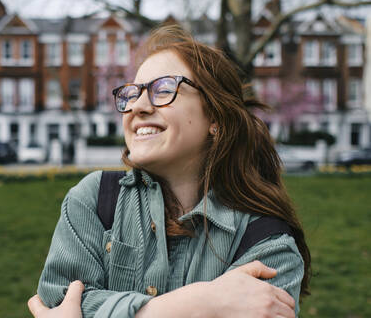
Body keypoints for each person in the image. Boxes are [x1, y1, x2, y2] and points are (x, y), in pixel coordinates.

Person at [29, 24, 311, 318]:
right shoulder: (94, 199)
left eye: (163, 89)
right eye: (131, 93)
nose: (137, 106)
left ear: (215, 116)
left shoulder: (266, 240)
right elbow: (58, 300)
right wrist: (203, 303)